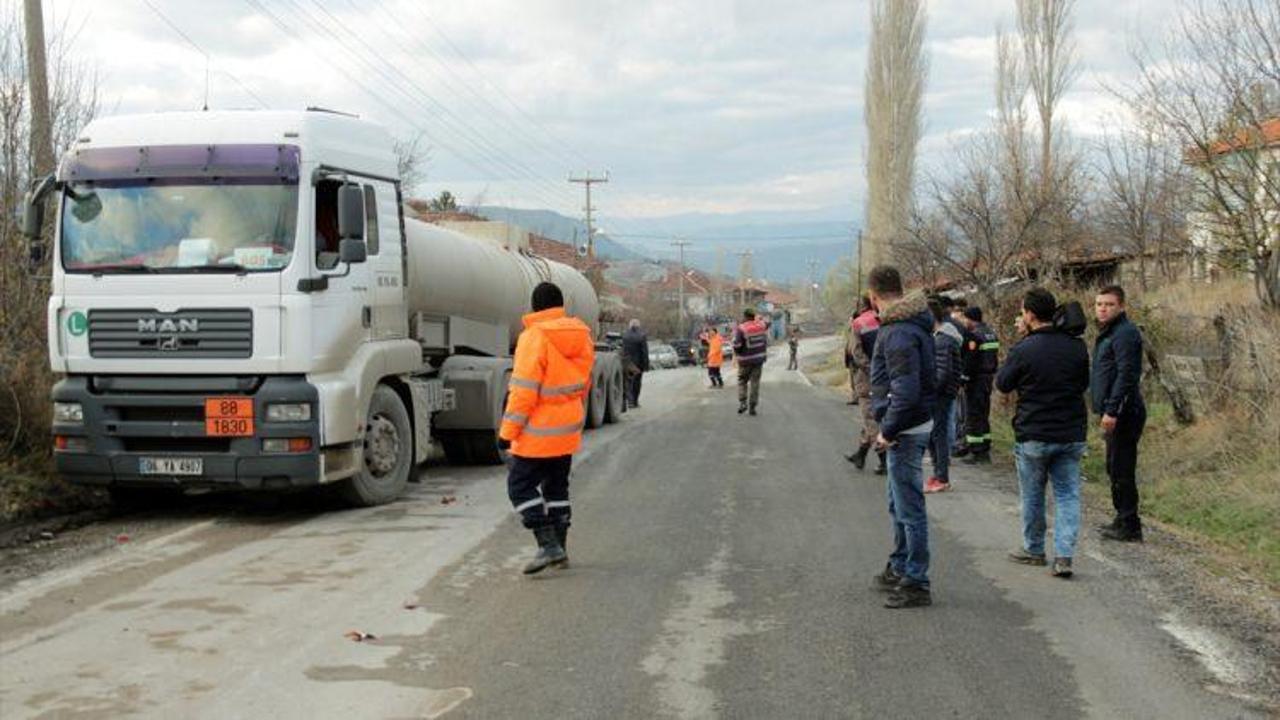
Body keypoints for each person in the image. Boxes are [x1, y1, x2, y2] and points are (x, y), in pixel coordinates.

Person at [498, 282, 595, 575]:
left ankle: (547, 544)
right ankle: (561, 551)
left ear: (535, 306)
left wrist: (507, 434)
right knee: (556, 487)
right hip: (567, 431)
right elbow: (583, 384)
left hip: (537, 434)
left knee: (519, 486)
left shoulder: (533, 337)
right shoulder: (582, 336)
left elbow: (524, 392)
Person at [996, 288, 1091, 578]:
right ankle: (1064, 556)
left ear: (1030, 315)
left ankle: (1034, 548)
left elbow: (1003, 383)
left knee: (1033, 495)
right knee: (1067, 494)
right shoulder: (1077, 347)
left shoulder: (1024, 349)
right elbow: (1084, 383)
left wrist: (1020, 343)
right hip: (1070, 432)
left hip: (1034, 433)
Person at [867, 265, 937, 609]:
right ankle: (899, 565)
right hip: (912, 424)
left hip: (905, 430)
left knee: (909, 508)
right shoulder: (912, 325)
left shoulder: (896, 333)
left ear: (873, 296)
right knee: (898, 504)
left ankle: (916, 581)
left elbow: (905, 391)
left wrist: (887, 431)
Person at [1091, 284, 1147, 542]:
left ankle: (1129, 524)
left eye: (1109, 304)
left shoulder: (1125, 334)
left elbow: (1127, 375)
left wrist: (1112, 410)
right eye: (1099, 304)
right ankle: (1122, 518)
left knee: (1122, 468)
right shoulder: (1109, 333)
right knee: (1114, 467)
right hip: (1114, 410)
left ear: (1121, 306)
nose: (1103, 309)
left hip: (1125, 411)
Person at [926, 297, 963, 494]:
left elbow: (942, 373)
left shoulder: (942, 340)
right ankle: (938, 473)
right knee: (934, 434)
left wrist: (930, 390)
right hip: (944, 392)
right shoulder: (943, 336)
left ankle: (941, 477)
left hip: (941, 394)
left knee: (938, 435)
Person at [845, 296, 885, 474]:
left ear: (860, 306)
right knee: (874, 417)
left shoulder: (858, 324)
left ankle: (884, 460)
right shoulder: (882, 319)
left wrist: (871, 369)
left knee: (870, 418)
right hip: (887, 377)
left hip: (867, 378)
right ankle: (860, 454)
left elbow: (856, 352)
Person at [959, 306, 1000, 464]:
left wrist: (964, 379)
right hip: (988, 378)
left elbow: (971, 361)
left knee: (974, 414)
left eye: (965, 318)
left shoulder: (974, 336)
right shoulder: (991, 333)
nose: (964, 322)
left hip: (976, 379)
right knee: (983, 412)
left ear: (970, 319)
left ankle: (976, 451)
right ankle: (985, 446)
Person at [733, 307, 769, 416]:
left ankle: (743, 403)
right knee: (755, 383)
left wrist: (737, 351)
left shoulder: (741, 328)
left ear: (745, 316)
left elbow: (737, 345)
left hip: (744, 361)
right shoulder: (761, 326)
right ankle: (752, 407)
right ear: (754, 316)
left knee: (742, 381)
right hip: (758, 360)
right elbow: (768, 322)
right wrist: (759, 319)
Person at [621, 319, 650, 409]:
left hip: (627, 362)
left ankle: (629, 400)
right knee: (637, 383)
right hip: (638, 364)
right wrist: (646, 365)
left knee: (628, 382)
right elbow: (644, 352)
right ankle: (635, 401)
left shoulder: (624, 335)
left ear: (630, 326)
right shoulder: (642, 336)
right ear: (638, 326)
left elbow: (622, 349)